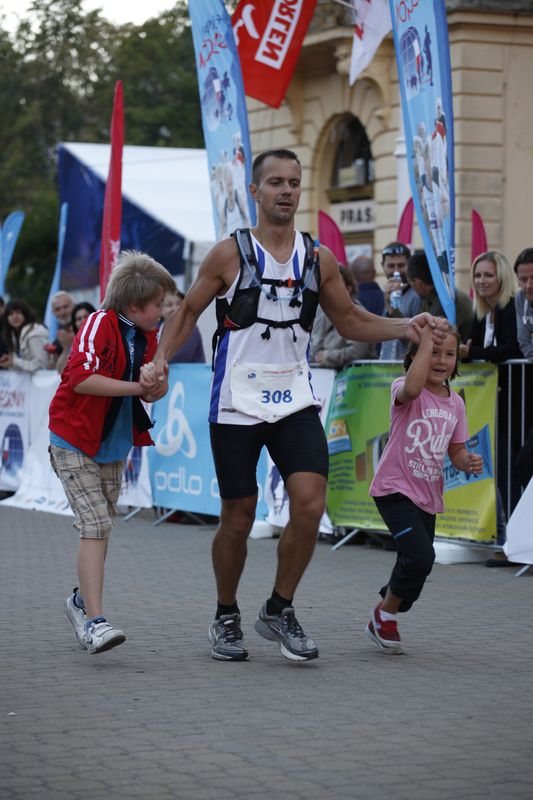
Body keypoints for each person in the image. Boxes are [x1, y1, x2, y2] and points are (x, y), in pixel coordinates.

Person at [153, 148, 449, 663]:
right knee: (238, 516)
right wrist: (159, 360)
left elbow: (351, 320)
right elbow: (187, 313)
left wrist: (407, 326)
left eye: (293, 182)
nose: (286, 191)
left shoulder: (318, 258)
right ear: (255, 191)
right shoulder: (228, 254)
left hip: (294, 398)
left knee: (310, 503)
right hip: (237, 401)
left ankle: (279, 607)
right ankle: (226, 614)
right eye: (275, 182)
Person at [48, 251, 175, 655]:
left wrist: (156, 386)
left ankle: (80, 602)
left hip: (112, 445)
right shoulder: (98, 323)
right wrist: (140, 388)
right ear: (135, 305)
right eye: (158, 304)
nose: (164, 311)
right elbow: (82, 379)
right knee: (96, 525)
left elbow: (152, 389)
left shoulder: (147, 334)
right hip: (73, 440)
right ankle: (94, 623)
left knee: (100, 528)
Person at [366, 325, 483, 654]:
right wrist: (426, 338)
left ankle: (386, 607)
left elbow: (456, 451)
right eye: (433, 352)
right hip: (393, 489)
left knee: (417, 564)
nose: (441, 360)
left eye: (449, 354)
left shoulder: (455, 403)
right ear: (416, 355)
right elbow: (413, 388)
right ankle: (385, 617)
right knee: (421, 556)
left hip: (427, 496)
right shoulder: (403, 387)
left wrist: (467, 461)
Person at [459, 251, 521, 565]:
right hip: (492, 403)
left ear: (502, 277)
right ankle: (508, 539)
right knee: (500, 473)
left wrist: (473, 353)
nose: (482, 281)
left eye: (488, 275)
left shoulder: (512, 307)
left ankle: (516, 542)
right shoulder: (481, 312)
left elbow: (512, 349)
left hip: (516, 400)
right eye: (478, 275)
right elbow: (471, 347)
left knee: (512, 473)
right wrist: (468, 351)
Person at [311, 267, 377, 368]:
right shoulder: (324, 310)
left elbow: (357, 351)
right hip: (327, 374)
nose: (329, 290)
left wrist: (329, 357)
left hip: (355, 375)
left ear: (349, 289)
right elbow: (315, 347)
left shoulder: (355, 314)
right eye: (325, 286)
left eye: (335, 286)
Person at [407, 250, 473, 341]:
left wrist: (393, 312)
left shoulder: (447, 301)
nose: (412, 288)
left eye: (411, 283)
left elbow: (424, 339)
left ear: (418, 283)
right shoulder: (431, 297)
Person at [379, 242, 422, 361]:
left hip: (408, 367)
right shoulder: (388, 294)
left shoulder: (416, 295)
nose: (396, 271)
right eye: (391, 266)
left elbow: (417, 340)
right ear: (383, 266)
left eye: (401, 265)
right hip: (388, 367)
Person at [0, 298, 49, 372]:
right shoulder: (13, 335)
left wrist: (14, 361)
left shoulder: (34, 333)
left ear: (26, 314)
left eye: (18, 312)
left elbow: (41, 365)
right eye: (11, 314)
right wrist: (10, 361)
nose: (15, 317)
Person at [160, 289, 205, 363]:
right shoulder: (154, 329)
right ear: (160, 311)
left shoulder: (192, 330)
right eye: (169, 305)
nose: (174, 308)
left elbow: (176, 357)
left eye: (179, 304)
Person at [55, 302, 97, 373]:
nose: (83, 321)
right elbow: (60, 371)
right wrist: (66, 348)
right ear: (74, 324)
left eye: (86, 317)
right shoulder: (74, 342)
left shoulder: (103, 338)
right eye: (78, 319)